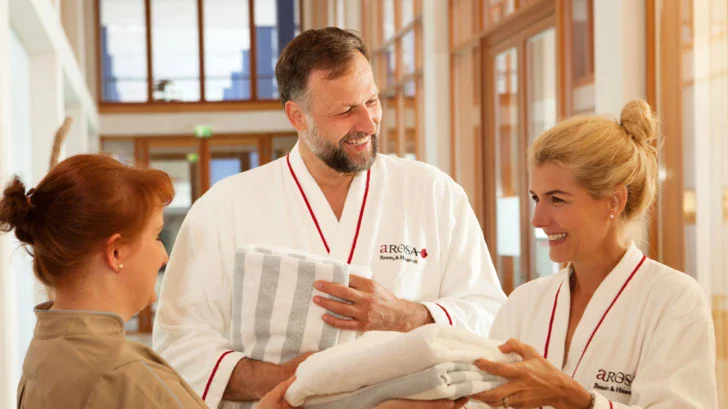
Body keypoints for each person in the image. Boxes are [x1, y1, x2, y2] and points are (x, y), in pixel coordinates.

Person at [153, 27, 505, 408]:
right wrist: (290, 379)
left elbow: (491, 314)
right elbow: (179, 345)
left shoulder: (434, 193)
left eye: (371, 101)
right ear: (297, 116)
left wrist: (406, 316)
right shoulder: (225, 207)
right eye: (344, 111)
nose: (368, 124)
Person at [469, 100, 718, 409]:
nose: (538, 219)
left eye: (557, 199)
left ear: (613, 201)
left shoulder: (674, 300)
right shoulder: (524, 303)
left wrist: (576, 399)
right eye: (536, 198)